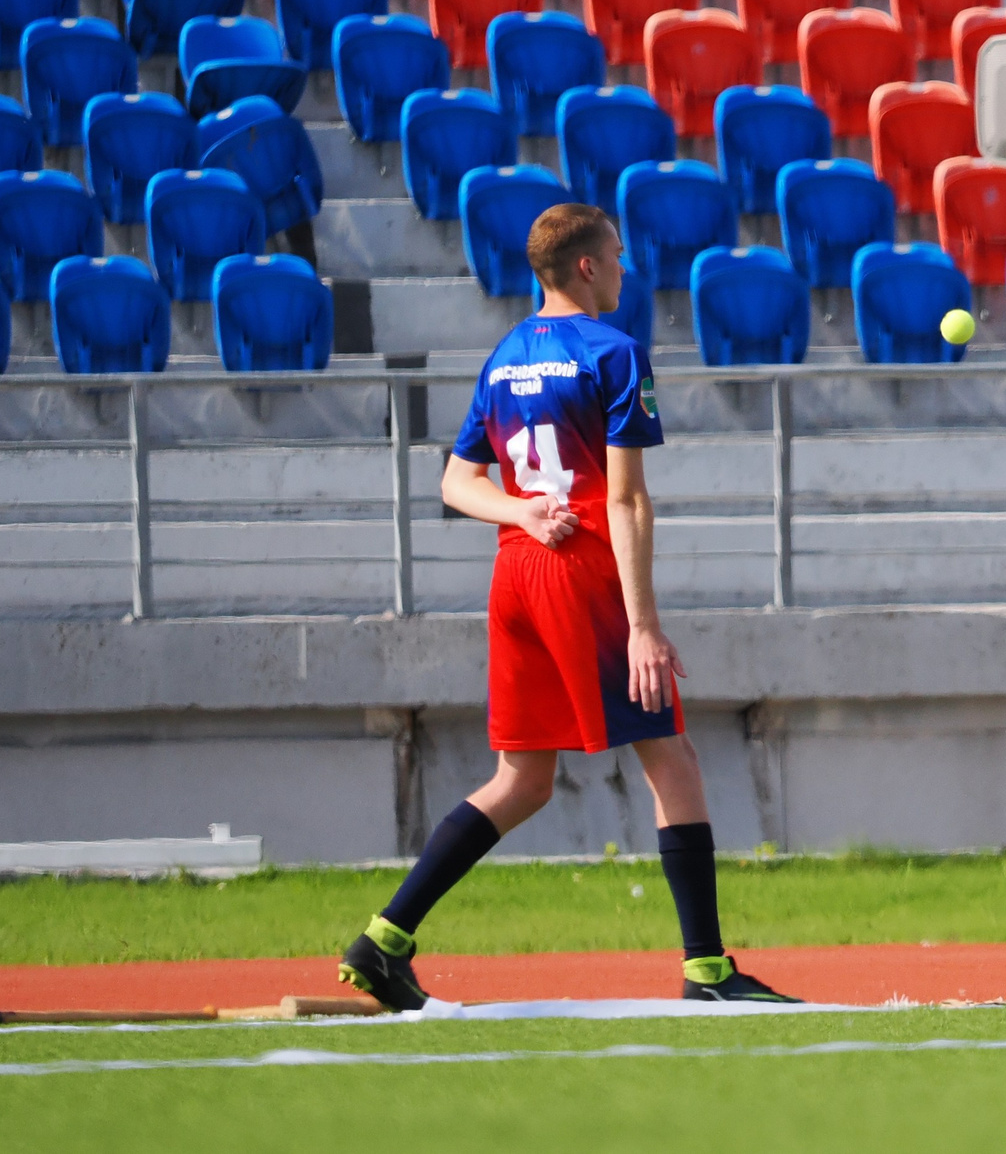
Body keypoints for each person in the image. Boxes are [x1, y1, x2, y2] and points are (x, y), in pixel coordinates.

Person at [338, 204, 794, 1009]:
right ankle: (708, 970)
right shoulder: (615, 353)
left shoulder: (506, 356)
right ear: (585, 266)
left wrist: (520, 512)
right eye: (616, 255)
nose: (624, 267)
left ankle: (383, 939)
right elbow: (627, 503)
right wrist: (645, 626)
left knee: (523, 779)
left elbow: (454, 482)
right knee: (672, 759)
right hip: (582, 572)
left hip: (516, 573)